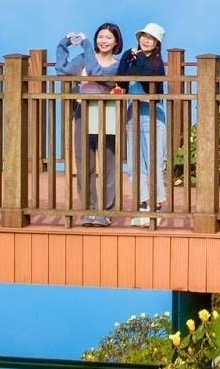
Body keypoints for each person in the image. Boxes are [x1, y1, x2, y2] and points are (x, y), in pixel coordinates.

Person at [56, 22, 123, 226]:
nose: (103, 41)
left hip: (107, 114)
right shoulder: (84, 58)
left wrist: (85, 46)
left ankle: (105, 210)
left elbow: (96, 73)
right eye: (100, 37)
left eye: (108, 38)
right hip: (83, 114)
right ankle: (89, 208)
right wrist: (64, 44)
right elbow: (62, 70)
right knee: (84, 162)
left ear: (116, 42)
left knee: (108, 164)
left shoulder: (117, 65)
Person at [118, 23, 167, 216]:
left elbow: (148, 79)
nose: (145, 40)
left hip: (153, 114)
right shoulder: (134, 59)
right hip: (133, 113)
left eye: (150, 38)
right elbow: (121, 80)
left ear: (157, 43)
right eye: (143, 36)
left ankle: (156, 199)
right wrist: (125, 58)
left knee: (154, 159)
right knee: (134, 159)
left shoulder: (156, 63)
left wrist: (137, 57)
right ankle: (142, 199)